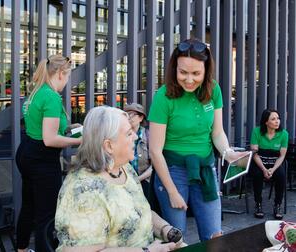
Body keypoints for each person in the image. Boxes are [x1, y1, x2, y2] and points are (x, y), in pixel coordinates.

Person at [148, 38, 245, 241]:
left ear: (206, 71)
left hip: (205, 169)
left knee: (214, 236)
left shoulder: (214, 90)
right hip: (173, 173)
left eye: (196, 73)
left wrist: (228, 153)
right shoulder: (163, 96)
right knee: (176, 238)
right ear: (174, 68)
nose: (189, 79)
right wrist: (172, 192)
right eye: (183, 72)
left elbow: (217, 132)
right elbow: (155, 151)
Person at [55, 106, 182, 251]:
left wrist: (166, 230)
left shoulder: (124, 168)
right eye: (129, 134)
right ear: (109, 146)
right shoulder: (84, 190)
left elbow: (141, 212)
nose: (135, 136)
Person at [15, 54, 82, 252]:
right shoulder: (52, 97)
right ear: (61, 73)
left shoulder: (37, 92)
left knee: (29, 205)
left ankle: (21, 249)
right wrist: (81, 140)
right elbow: (50, 139)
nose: (68, 80)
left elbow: (42, 127)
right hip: (42, 159)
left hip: (27, 152)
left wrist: (69, 129)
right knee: (47, 214)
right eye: (68, 75)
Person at [250, 109, 289, 220]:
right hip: (260, 163)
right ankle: (258, 204)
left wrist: (272, 169)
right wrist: (263, 169)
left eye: (278, 118)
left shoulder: (284, 134)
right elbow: (254, 154)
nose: (277, 121)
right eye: (273, 119)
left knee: (281, 175)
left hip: (275, 164)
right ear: (266, 122)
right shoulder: (256, 132)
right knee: (257, 175)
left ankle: (277, 205)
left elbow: (282, 156)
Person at [124, 103, 152, 198]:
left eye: (132, 115)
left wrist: (138, 179)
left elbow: (154, 165)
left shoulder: (149, 136)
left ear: (141, 118)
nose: (128, 118)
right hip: (124, 181)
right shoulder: (120, 135)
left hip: (145, 182)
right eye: (126, 115)